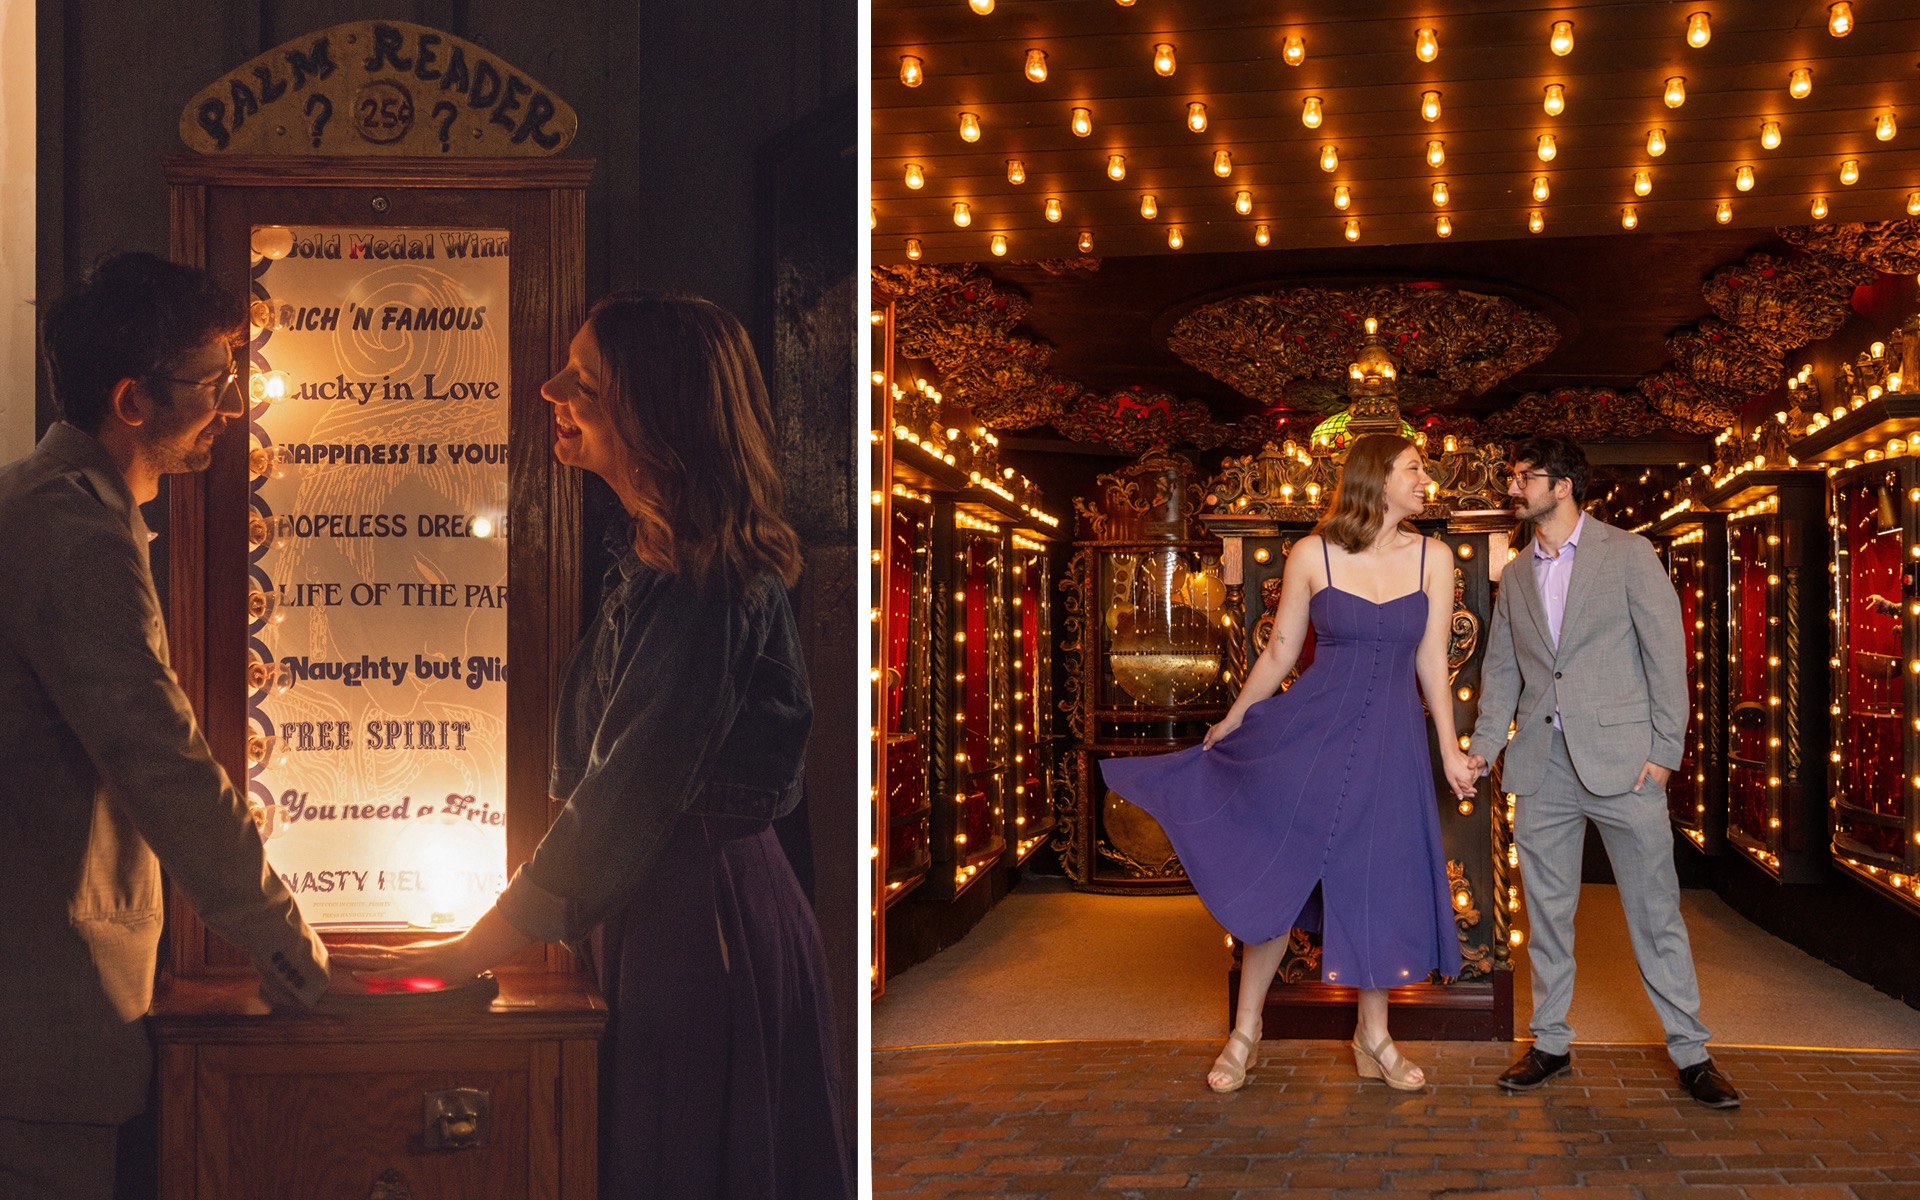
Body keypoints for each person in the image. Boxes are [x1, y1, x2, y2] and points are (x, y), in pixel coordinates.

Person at [354, 291, 854, 1198]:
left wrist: (473, 950)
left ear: (650, 411)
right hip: (680, 910)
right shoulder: (667, 564)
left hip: (697, 923)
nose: (551, 390)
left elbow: (624, 794)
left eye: (582, 381)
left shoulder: (700, 584)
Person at [0, 253, 332, 1199]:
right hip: (39, 1029)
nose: (231, 407)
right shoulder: (70, 532)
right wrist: (292, 952)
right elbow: (164, 763)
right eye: (212, 382)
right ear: (132, 401)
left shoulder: (55, 507)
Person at [1104, 433, 1468, 1094]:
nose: (1426, 481)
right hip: (1313, 736)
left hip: (1391, 743)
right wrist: (1237, 717)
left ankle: (1375, 1036)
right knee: (1281, 873)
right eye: (1414, 469)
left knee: (1374, 884)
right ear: (1377, 478)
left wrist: (1447, 747)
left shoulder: (1435, 560)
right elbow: (1277, 655)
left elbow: (1431, 666)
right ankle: (1245, 1034)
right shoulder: (1311, 553)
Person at [1462, 434, 1739, 1109]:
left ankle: (1691, 1053)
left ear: (1562, 485)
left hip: (1627, 764)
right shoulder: (1518, 573)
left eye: (1524, 476)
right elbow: (1501, 672)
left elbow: (1667, 655)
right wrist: (1483, 748)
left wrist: (1664, 753)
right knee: (1549, 916)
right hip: (1542, 767)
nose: (1512, 487)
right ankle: (1551, 1043)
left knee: (1655, 912)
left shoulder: (1628, 554)